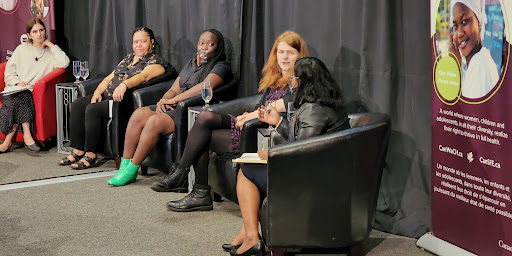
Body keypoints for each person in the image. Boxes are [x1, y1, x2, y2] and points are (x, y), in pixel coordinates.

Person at [159, 31, 308, 212]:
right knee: (204, 121)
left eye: (290, 53)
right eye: (280, 52)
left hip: (264, 133)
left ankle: (191, 183)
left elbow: (288, 104)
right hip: (251, 124)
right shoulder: (274, 77)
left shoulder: (300, 78)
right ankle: (193, 186)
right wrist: (248, 115)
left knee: (203, 133)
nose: (284, 57)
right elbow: (262, 104)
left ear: (300, 55)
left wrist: (250, 117)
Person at [225, 57, 350, 256]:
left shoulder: (312, 110)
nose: (290, 80)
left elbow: (302, 151)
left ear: (300, 81)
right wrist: (279, 122)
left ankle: (251, 238)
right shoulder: (329, 103)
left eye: (293, 77)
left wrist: (271, 153)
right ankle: (247, 233)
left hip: (313, 181)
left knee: (246, 171)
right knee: (252, 170)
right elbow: (305, 139)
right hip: (327, 172)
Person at [107, 28, 233, 186]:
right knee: (139, 114)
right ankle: (124, 167)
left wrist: (175, 100)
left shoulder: (221, 67)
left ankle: (132, 169)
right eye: (202, 43)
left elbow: (203, 87)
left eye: (210, 44)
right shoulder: (192, 62)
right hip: (174, 103)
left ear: (218, 47)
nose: (204, 47)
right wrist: (164, 100)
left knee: (154, 121)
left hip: (189, 108)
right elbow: (174, 87)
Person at [58, 27, 167, 169]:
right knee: (78, 104)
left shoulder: (155, 62)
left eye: (143, 41)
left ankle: (91, 155)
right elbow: (109, 77)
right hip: (107, 95)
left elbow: (143, 76)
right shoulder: (128, 58)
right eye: (135, 42)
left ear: (151, 42)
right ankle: (78, 150)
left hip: (121, 102)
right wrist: (97, 92)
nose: (138, 45)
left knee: (93, 109)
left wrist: (124, 85)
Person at [0, 18, 69, 153]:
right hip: (15, 88)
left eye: (41, 30)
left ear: (45, 31)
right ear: (29, 35)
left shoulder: (51, 53)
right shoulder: (21, 49)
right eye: (35, 31)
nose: (39, 34)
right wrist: (16, 82)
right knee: (19, 96)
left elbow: (64, 62)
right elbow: (8, 71)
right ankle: (27, 134)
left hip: (33, 92)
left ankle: (7, 142)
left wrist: (51, 45)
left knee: (22, 97)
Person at [449, 0, 499, 99]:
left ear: (479, 21)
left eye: (464, 22)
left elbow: (459, 110)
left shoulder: (480, 66)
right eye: (455, 26)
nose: (459, 33)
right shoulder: (471, 64)